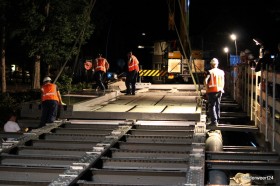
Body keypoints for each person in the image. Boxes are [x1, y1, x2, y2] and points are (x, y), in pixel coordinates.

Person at [204, 58, 225, 126]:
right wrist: (222, 88)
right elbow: (223, 81)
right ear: (217, 64)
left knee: (211, 106)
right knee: (217, 105)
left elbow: (205, 81)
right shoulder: (221, 72)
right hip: (219, 91)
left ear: (211, 65)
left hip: (212, 91)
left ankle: (214, 121)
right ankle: (217, 119)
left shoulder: (210, 72)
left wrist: (206, 89)